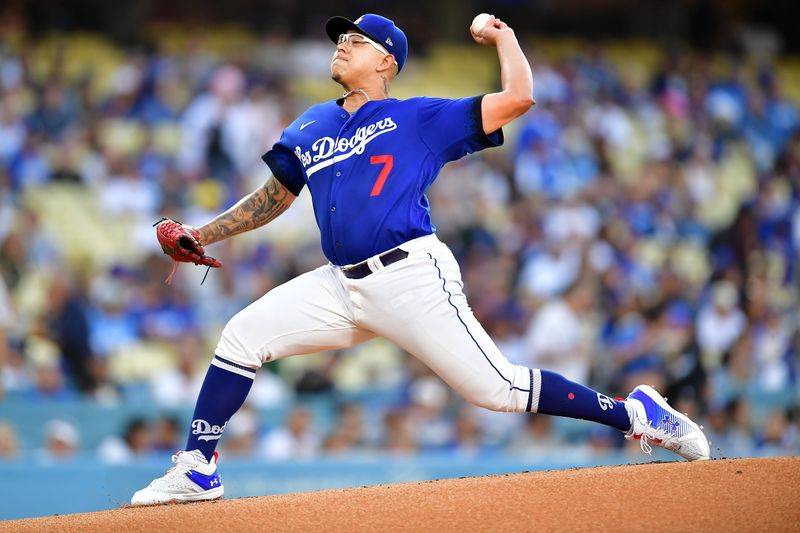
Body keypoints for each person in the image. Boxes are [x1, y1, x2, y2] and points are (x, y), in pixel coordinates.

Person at [132, 13, 710, 505]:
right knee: (240, 335)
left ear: (386, 60)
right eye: (341, 37)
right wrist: (202, 234)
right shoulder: (312, 123)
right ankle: (198, 468)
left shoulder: (420, 118)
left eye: (357, 40)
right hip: (339, 285)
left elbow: (520, 97)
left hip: (409, 274)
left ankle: (638, 415)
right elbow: (272, 198)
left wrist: (503, 38)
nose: (343, 44)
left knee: (498, 390)